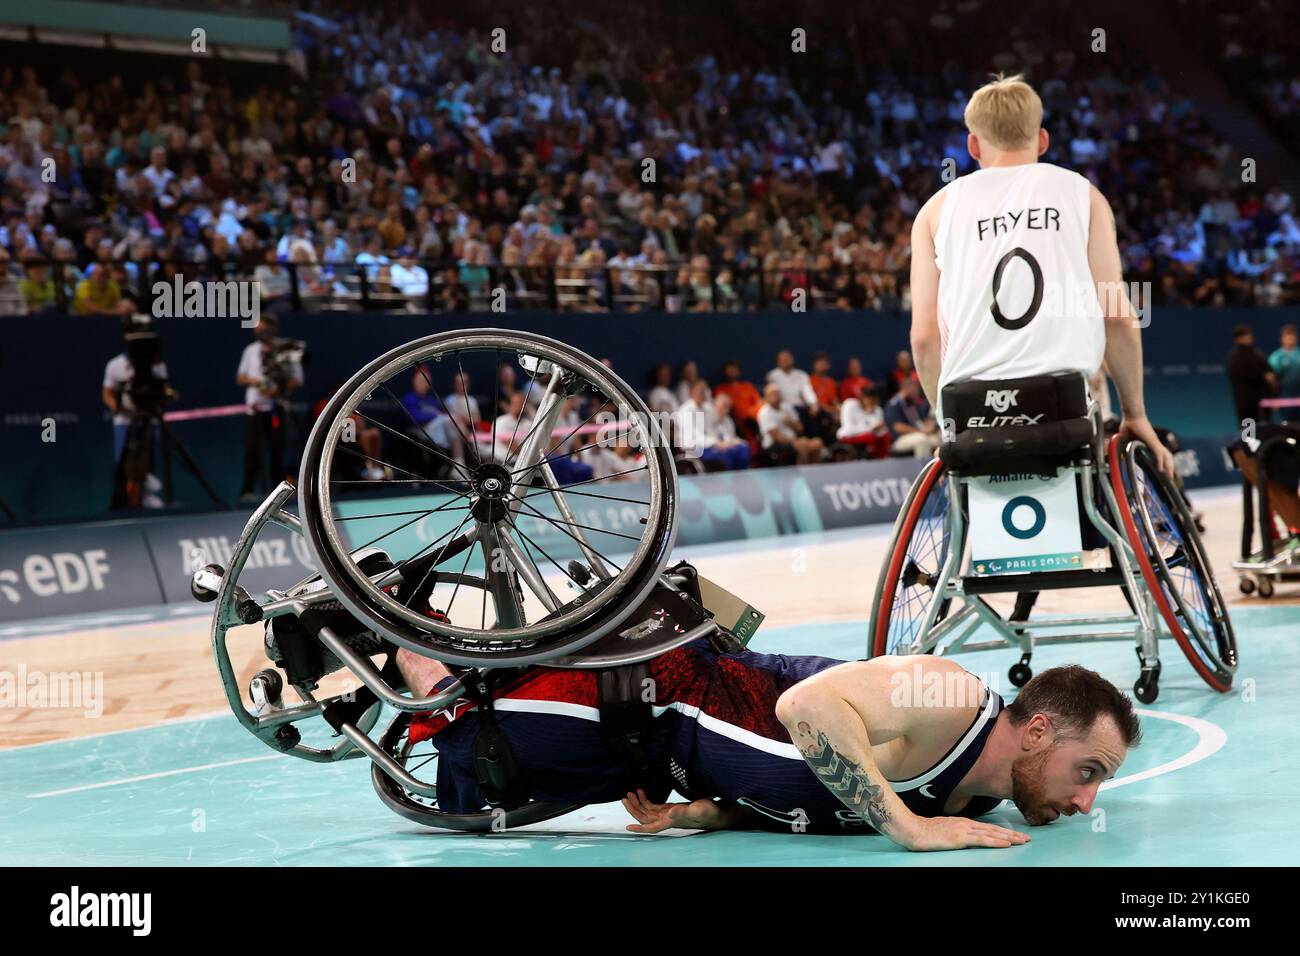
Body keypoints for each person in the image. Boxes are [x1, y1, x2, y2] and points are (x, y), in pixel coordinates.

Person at [394, 638, 1138, 849]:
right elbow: (807, 708)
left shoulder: (979, 799)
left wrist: (705, 816)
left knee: (478, 788)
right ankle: (397, 635)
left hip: (660, 760)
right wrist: (908, 827)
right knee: (468, 735)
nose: (1086, 798)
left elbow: (813, 798)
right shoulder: (952, 698)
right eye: (1088, 771)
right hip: (657, 692)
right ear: (1037, 729)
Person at [908, 73, 1173, 477]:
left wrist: (946, 425)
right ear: (1043, 140)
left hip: (973, 414)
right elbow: (1118, 314)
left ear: (973, 145)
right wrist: (1135, 414)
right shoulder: (1083, 195)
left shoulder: (934, 210)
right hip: (1063, 407)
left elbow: (924, 338)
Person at [236, 317, 302, 501]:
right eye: (257, 329)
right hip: (254, 410)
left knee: (276, 450)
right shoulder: (250, 351)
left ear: (274, 329)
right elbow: (240, 378)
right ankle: (247, 491)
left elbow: (297, 379)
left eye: (263, 329)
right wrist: (256, 382)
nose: (260, 333)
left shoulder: (287, 349)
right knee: (252, 450)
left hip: (275, 410)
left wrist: (277, 390)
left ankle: (275, 492)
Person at [758, 382, 823, 465]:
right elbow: (777, 437)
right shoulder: (764, 413)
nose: (776, 397)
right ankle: (802, 475)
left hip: (793, 440)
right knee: (802, 445)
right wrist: (796, 441)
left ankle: (814, 473)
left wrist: (790, 423)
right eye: (772, 395)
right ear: (766, 397)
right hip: (773, 445)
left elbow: (800, 428)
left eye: (777, 394)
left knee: (817, 443)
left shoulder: (787, 407)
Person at [1227, 324, 1276, 429]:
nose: (1248, 338)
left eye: (1248, 335)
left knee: (1263, 430)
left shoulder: (1257, 354)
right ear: (1237, 339)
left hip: (1262, 402)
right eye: (1244, 336)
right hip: (1245, 402)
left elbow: (1269, 371)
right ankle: (1247, 445)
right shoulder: (1235, 357)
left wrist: (1269, 379)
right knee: (1248, 433)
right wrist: (1264, 377)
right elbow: (1241, 375)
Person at [883, 376, 939, 457]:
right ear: (905, 388)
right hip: (899, 439)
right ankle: (924, 468)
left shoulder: (913, 402)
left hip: (919, 434)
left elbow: (923, 420)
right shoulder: (894, 403)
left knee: (939, 440)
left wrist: (930, 426)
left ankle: (941, 468)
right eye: (914, 388)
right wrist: (921, 431)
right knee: (922, 440)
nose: (916, 391)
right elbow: (898, 427)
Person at [1268, 324, 1300, 421]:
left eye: (1292, 336)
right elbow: (1271, 380)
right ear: (1282, 338)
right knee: (1287, 428)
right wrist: (1274, 398)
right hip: (1283, 399)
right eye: (1287, 336)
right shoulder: (1276, 357)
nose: (1290, 338)